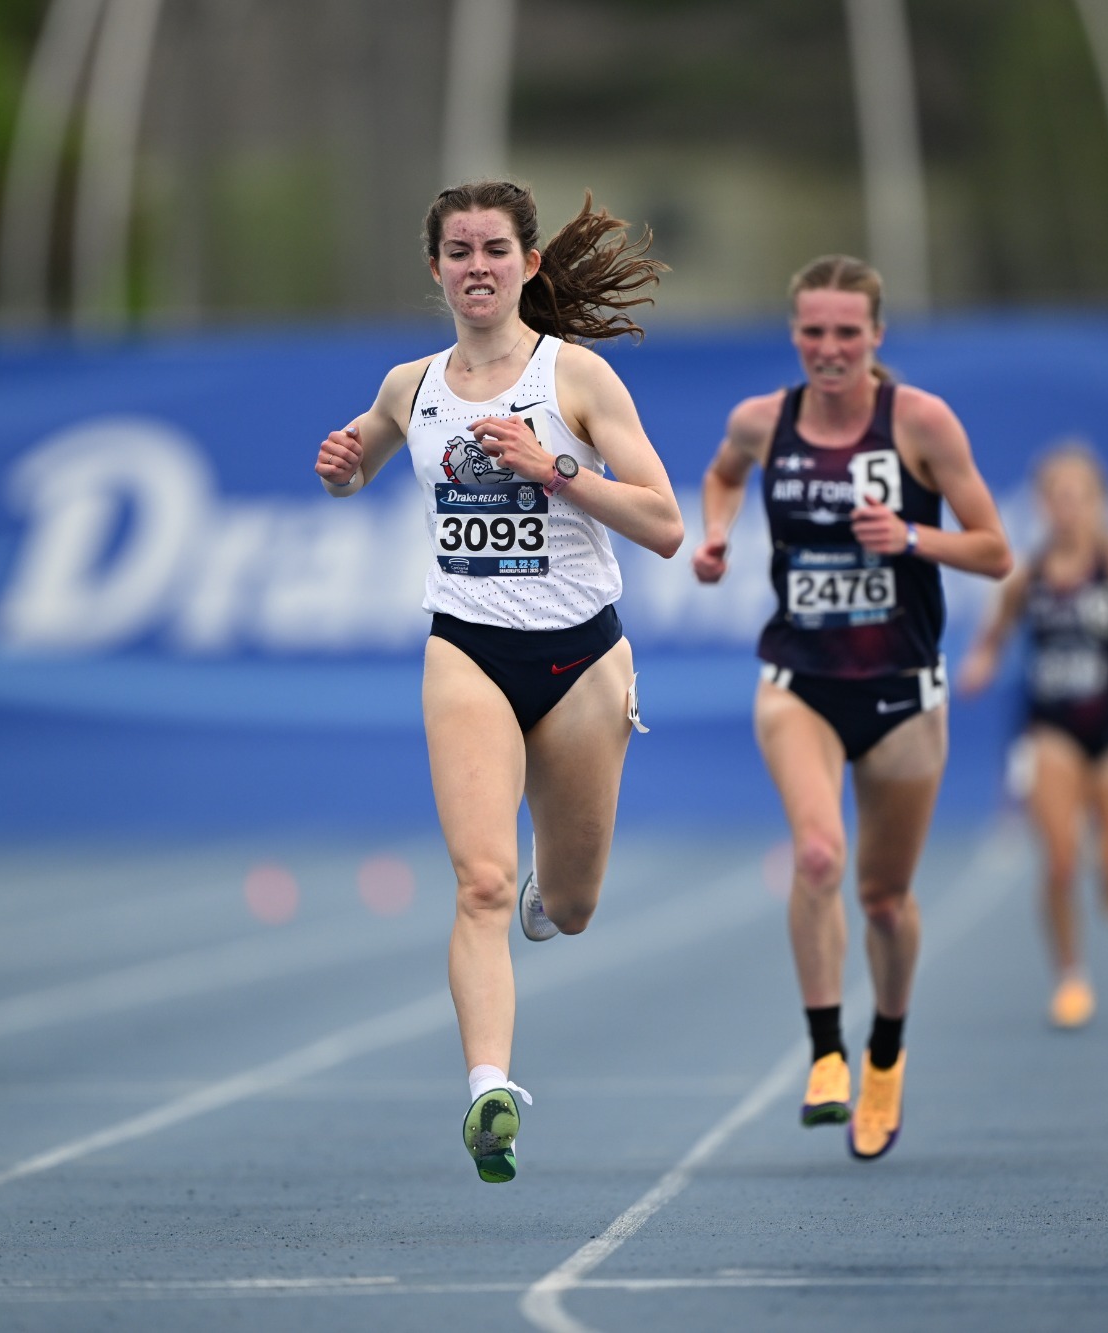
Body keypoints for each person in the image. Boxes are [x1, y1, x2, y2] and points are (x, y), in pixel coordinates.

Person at [313, 181, 680, 1184]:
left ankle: (547, 887)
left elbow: (663, 524)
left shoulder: (578, 380)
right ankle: (488, 1087)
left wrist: (551, 468)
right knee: (476, 883)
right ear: (434, 269)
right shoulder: (410, 385)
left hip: (580, 661)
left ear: (524, 264)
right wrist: (342, 465)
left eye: (493, 248)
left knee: (569, 903)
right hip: (467, 648)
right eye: (458, 250)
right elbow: (359, 460)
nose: (476, 265)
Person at [693, 255, 1011, 1160]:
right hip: (799, 682)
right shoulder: (763, 421)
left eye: (846, 332)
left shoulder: (919, 422)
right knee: (819, 854)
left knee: (882, 898)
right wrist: (717, 536)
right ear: (794, 334)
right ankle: (826, 1051)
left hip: (904, 693)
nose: (828, 349)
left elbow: (996, 551)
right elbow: (719, 477)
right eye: (812, 332)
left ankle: (884, 1053)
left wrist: (911, 536)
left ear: (876, 337)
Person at [958, 446, 1108, 1031]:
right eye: (1056, 498)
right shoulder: (1029, 575)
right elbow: (993, 637)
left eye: (1078, 497)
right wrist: (981, 663)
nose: (1067, 510)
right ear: (1042, 505)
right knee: (1061, 861)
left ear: (1098, 503)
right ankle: (1070, 975)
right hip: (1053, 730)